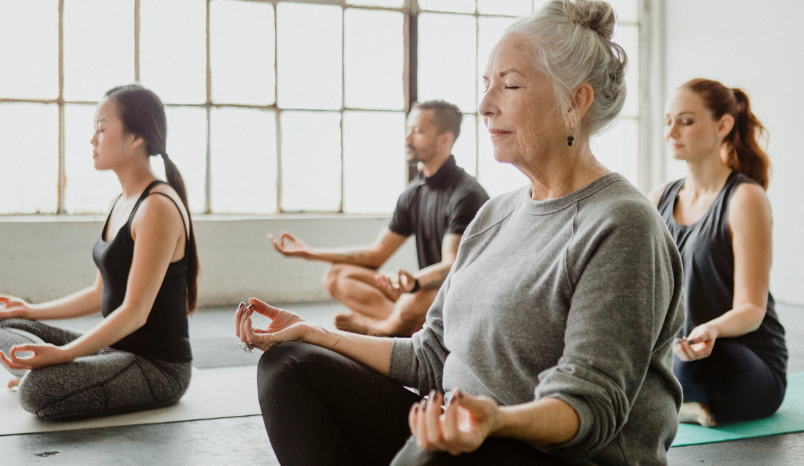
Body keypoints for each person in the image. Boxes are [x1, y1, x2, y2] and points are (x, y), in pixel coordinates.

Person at [238, 1, 685, 464]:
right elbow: (430, 356)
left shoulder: (621, 224)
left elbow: (590, 406)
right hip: (466, 437)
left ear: (575, 102)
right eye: (487, 85)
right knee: (289, 366)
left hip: (556, 454)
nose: (485, 105)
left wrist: (492, 421)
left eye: (509, 85)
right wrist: (313, 333)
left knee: (434, 453)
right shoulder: (494, 215)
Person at [0, 84, 198, 421]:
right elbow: (98, 294)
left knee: (36, 392)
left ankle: (53, 377)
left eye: (102, 129)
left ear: (136, 137)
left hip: (156, 368)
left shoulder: (157, 207)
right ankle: (63, 374)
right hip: (115, 351)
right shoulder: (121, 203)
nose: (93, 140)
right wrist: (31, 310)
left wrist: (63, 355)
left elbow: (135, 313)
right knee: (8, 325)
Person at [269, 100, 489, 337]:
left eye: (417, 131)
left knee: (414, 301)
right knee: (337, 276)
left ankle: (379, 329)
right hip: (421, 291)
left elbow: (452, 267)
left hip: (458, 296)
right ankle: (407, 327)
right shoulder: (413, 193)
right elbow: (377, 254)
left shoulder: (466, 194)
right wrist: (309, 253)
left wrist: (414, 282)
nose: (407, 138)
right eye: (408, 130)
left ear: (445, 139)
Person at [650, 78, 787, 428]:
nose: (672, 132)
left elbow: (752, 309)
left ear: (723, 125)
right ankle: (683, 406)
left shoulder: (745, 198)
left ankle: (672, 405)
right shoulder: (658, 199)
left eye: (686, 120)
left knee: (702, 364)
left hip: (739, 357)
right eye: (668, 121)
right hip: (682, 352)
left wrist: (711, 330)